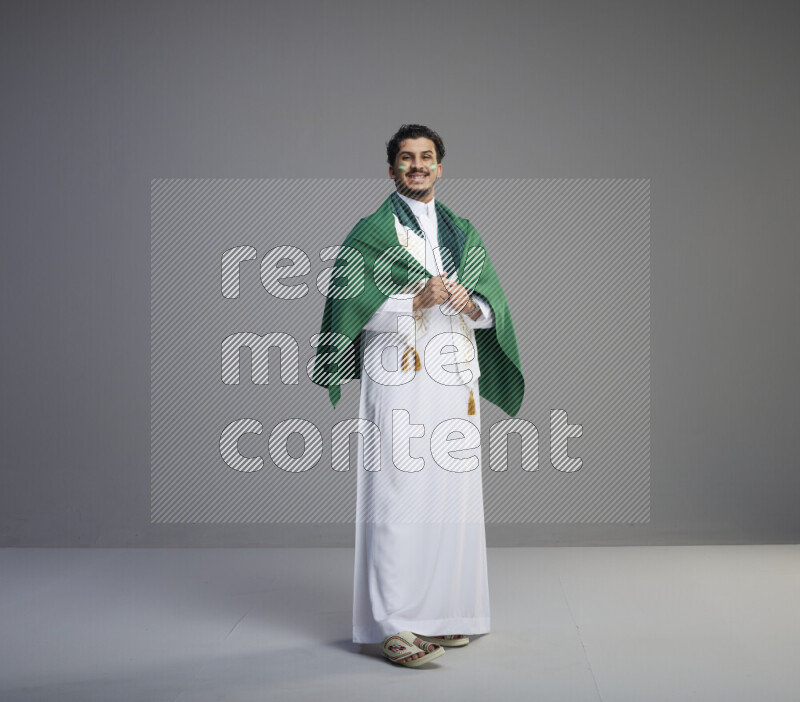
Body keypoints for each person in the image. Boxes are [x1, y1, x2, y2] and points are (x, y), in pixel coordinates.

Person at [312, 124, 524, 667]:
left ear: (440, 167)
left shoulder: (463, 234)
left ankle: (443, 615)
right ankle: (395, 625)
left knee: (450, 497)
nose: (417, 166)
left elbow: (492, 311)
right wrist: (413, 298)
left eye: (426, 157)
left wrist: (466, 303)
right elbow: (347, 309)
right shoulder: (370, 234)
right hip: (399, 374)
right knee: (397, 495)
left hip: (453, 378)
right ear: (391, 170)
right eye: (406, 159)